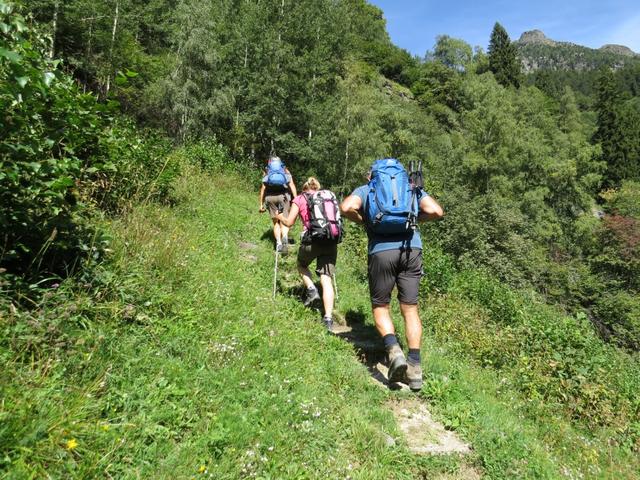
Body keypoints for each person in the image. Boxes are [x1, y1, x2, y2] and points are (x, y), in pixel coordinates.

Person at [340, 159, 443, 391]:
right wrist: (416, 220)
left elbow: (346, 207)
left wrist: (365, 221)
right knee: (410, 308)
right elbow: (437, 211)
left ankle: (394, 350)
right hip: (411, 249)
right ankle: (415, 367)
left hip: (381, 251)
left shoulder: (368, 189)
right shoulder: (411, 187)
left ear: (371, 175)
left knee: (381, 306)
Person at [276, 177, 340, 331]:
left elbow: (289, 222)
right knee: (326, 278)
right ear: (317, 187)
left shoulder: (300, 198)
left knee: (301, 265)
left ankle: (311, 289)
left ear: (304, 187)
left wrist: (279, 217)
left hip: (311, 240)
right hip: (330, 241)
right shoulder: (326, 198)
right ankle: (328, 319)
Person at [259, 156, 297, 253]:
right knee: (284, 220)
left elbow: (263, 189)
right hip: (283, 197)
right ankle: (284, 238)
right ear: (280, 162)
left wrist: (261, 204)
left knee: (276, 222)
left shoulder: (267, 171)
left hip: (270, 198)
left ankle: (279, 243)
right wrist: (296, 200)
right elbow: (292, 185)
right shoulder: (285, 170)